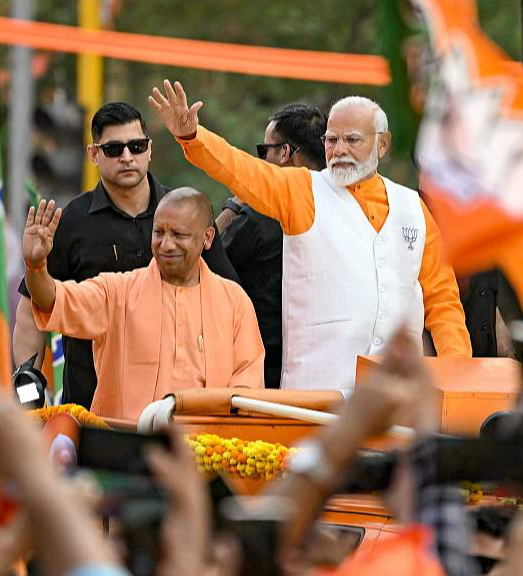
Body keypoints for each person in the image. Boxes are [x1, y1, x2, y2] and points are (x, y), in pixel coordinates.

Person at [149, 80, 472, 393]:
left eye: (352, 140)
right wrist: (192, 136)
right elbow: (243, 169)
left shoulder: (413, 207)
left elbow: (443, 301)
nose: (339, 150)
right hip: (316, 397)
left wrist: (456, 378)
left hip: (398, 399)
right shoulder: (304, 189)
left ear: (382, 144)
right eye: (332, 140)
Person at [13, 102, 239, 410]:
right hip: (90, 413)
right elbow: (32, 311)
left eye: (136, 146)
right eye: (114, 149)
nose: (127, 157)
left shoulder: (189, 215)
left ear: (149, 150)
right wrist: (28, 394)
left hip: (180, 414)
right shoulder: (69, 222)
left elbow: (229, 305)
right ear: (94, 154)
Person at [23, 190, 264, 421]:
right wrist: (36, 266)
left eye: (179, 235)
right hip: (124, 449)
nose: (167, 245)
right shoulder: (118, 291)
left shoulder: (234, 301)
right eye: (159, 233)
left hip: (207, 451)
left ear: (207, 238)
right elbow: (52, 300)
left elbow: (247, 392)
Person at [215, 103, 327, 389]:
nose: (260, 161)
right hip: (327, 372)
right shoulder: (344, 208)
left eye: (264, 151)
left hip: (263, 373)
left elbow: (209, 270)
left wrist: (233, 208)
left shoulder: (256, 216)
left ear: (285, 153)